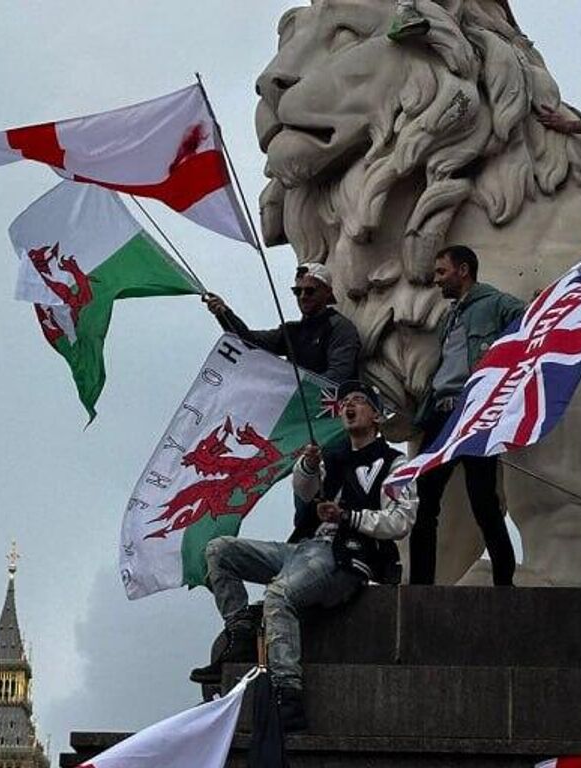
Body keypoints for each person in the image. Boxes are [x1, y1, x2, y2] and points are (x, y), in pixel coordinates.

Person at [191, 382, 417, 731]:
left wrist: (348, 517)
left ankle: (287, 695)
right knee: (220, 550)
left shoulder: (394, 462)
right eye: (345, 403)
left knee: (279, 595)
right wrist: (309, 465)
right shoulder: (334, 456)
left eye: (359, 402)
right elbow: (305, 489)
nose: (349, 407)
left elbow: (402, 520)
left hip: (346, 558)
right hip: (303, 549)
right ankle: (240, 634)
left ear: (376, 416)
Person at [410, 245, 525, 586]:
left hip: (473, 413)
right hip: (441, 416)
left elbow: (528, 321)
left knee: (483, 502)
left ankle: (505, 581)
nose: (437, 279)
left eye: (441, 272)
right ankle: (420, 586)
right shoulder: (449, 317)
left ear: (463, 270)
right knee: (423, 502)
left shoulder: (494, 303)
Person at [204, 263, 362, 390]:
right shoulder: (292, 331)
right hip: (300, 412)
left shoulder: (339, 327)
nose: (303, 296)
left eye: (310, 291)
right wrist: (223, 313)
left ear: (327, 292)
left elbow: (339, 375)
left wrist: (295, 394)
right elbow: (250, 341)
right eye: (297, 291)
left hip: (329, 416)